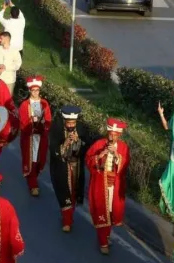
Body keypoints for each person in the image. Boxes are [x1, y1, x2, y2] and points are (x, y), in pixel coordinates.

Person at [84, 118, 130, 255]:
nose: (112, 137)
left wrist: (116, 155)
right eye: (110, 134)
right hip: (100, 184)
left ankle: (106, 236)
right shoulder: (99, 144)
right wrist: (100, 155)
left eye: (115, 135)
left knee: (110, 212)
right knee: (101, 213)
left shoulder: (123, 147)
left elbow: (125, 165)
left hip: (114, 186)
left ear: (119, 135)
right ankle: (103, 242)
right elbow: (88, 160)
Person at [49, 105, 86, 232]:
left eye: (73, 123)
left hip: (76, 167)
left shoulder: (80, 129)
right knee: (64, 192)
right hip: (62, 167)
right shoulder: (56, 129)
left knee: (74, 193)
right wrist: (64, 144)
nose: (71, 125)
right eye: (69, 123)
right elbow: (53, 148)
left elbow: (85, 148)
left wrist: (78, 142)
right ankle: (67, 221)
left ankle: (69, 216)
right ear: (64, 121)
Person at [17, 76, 51, 197]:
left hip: (40, 137)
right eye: (33, 90)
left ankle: (34, 177)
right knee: (31, 159)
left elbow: (48, 119)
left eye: (37, 90)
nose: (35, 93)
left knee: (39, 160)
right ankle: (33, 184)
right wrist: (32, 121)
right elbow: (23, 121)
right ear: (30, 91)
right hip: (30, 138)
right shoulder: (25, 105)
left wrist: (44, 125)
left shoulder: (44, 103)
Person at [0, 32, 22, 97]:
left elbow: (17, 65)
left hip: (9, 80)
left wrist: (5, 67)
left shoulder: (15, 51)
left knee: (7, 100)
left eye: (1, 38)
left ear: (6, 39)